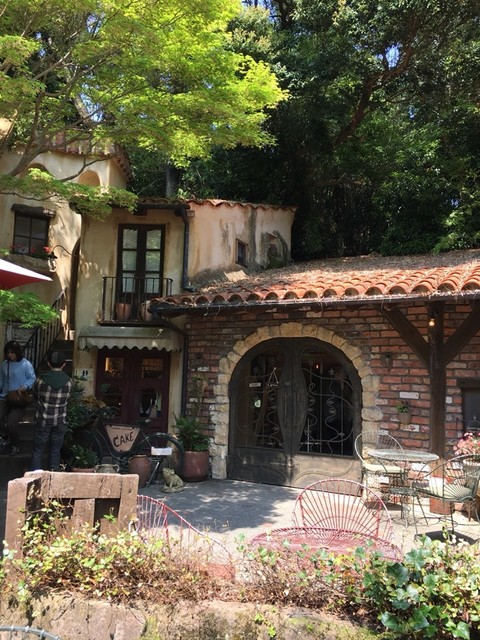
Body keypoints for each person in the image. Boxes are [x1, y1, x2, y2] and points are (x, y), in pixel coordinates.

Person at [30, 351, 73, 471]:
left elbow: (35, 395)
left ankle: (34, 476)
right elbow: (68, 398)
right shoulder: (69, 382)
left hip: (43, 419)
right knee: (55, 451)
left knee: (38, 450)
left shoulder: (40, 380)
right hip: (60, 420)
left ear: (48, 363)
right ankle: (53, 475)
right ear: (64, 364)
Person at [0, 340, 36, 455]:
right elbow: (1, 380)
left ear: (17, 352)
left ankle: (15, 445)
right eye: (8, 352)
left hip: (18, 398)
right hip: (5, 397)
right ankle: (5, 436)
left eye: (12, 352)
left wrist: (25, 386)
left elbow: (32, 377)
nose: (10, 355)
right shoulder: (4, 365)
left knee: (12, 424)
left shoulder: (26, 364)